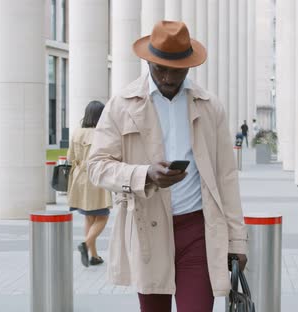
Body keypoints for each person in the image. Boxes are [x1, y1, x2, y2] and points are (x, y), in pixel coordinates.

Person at [88, 21, 248, 311]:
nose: (168, 76)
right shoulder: (121, 104)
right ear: (148, 61)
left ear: (189, 65)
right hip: (147, 229)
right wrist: (143, 174)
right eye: (160, 67)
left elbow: (227, 178)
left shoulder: (210, 106)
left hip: (199, 230)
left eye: (177, 69)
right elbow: (97, 166)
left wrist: (237, 241)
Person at [67, 100, 112, 267]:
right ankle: (86, 244)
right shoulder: (102, 133)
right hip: (96, 178)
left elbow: (70, 158)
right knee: (103, 216)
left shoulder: (77, 132)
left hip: (80, 179)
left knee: (89, 216)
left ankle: (93, 256)